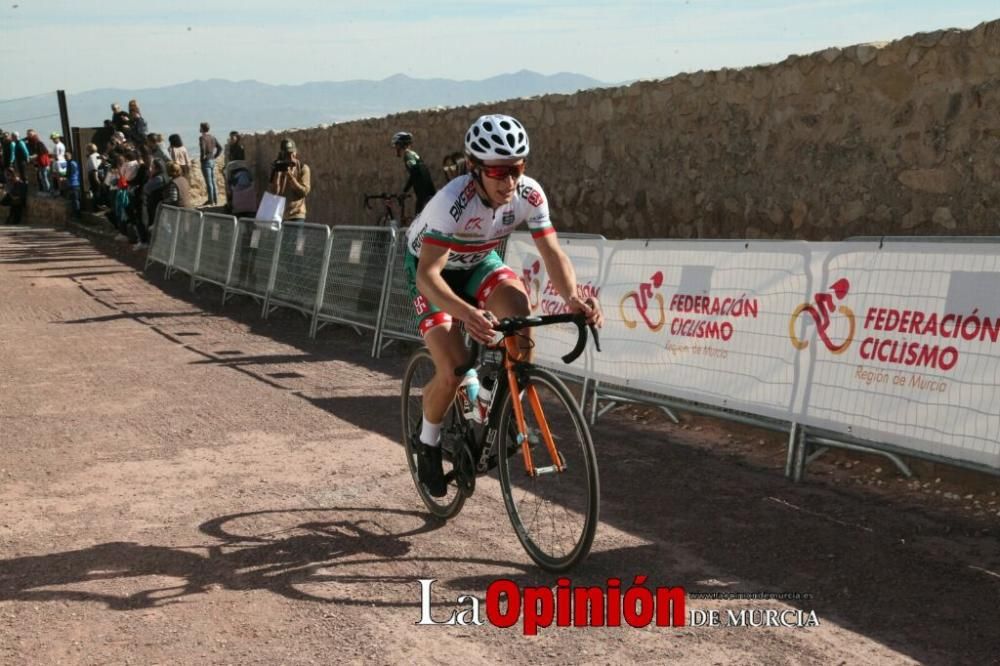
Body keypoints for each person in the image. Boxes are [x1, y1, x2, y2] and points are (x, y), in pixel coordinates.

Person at [404, 113, 603, 497]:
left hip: (478, 260)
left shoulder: (529, 194)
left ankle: (501, 399)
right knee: (454, 367)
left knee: (519, 307)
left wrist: (574, 297)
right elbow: (428, 276)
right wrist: (467, 314)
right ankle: (428, 442)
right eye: (498, 172)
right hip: (434, 271)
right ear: (475, 169)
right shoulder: (452, 202)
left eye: (516, 169)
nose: (509, 181)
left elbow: (552, 252)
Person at [392, 131, 436, 215]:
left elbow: (414, 172)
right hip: (428, 191)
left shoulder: (407, 156)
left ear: (401, 144)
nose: (395, 148)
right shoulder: (414, 154)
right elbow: (416, 172)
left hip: (423, 194)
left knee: (418, 220)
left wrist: (405, 190)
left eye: (396, 145)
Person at [268, 138, 310, 222]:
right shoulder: (277, 168)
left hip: (296, 214)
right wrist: (278, 173)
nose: (291, 157)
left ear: (295, 152)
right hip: (280, 215)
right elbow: (274, 193)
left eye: (292, 153)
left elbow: (304, 192)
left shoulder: (303, 168)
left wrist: (290, 176)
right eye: (287, 154)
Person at [198, 122, 223, 206]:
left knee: (209, 182)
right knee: (213, 181)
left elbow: (202, 148)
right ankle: (215, 200)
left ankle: (211, 200)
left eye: (200, 127)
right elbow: (220, 148)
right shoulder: (213, 137)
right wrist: (215, 156)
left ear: (202, 128)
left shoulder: (202, 138)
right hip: (212, 160)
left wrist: (202, 158)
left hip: (206, 161)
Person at [64, 150, 81, 219]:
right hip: (74, 183)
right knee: (74, 200)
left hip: (74, 183)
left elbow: (70, 173)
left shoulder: (71, 163)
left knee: (75, 200)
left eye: (66, 156)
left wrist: (65, 177)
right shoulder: (72, 163)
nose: (65, 158)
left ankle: (77, 214)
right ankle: (75, 214)